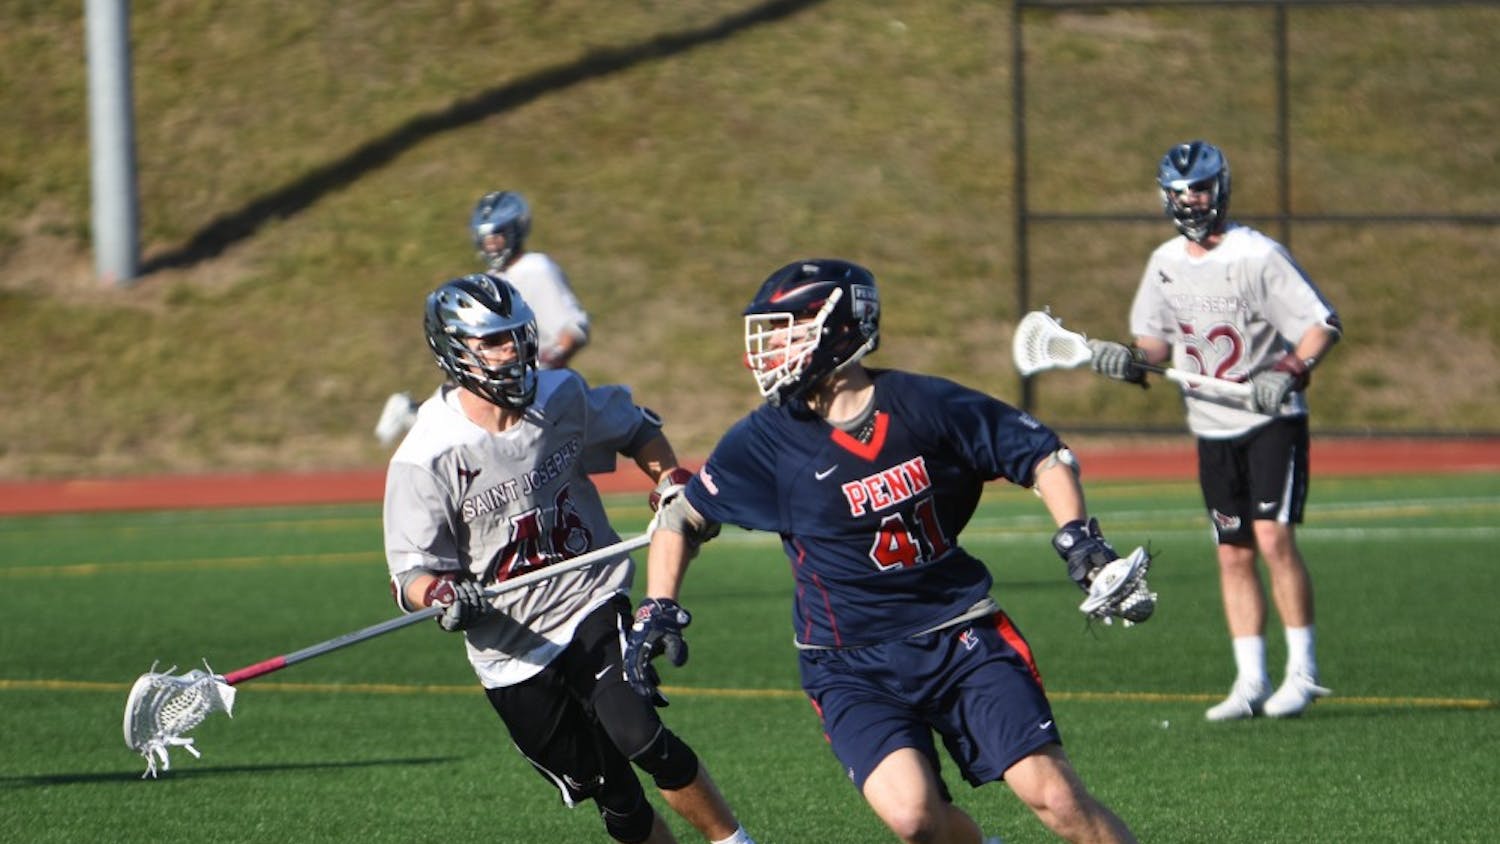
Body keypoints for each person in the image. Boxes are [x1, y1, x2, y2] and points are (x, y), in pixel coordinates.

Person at [624, 259, 1146, 844]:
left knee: (1056, 799)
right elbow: (682, 517)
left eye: (787, 329)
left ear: (841, 326)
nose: (770, 348)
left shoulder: (923, 404)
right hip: (846, 661)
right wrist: (658, 605)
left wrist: (1079, 538)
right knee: (913, 819)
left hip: (958, 633)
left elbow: (1043, 455)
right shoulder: (765, 438)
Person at [383, 273, 753, 844]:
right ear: (453, 350)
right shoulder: (427, 456)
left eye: (516, 335)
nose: (512, 352)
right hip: (511, 650)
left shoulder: (559, 396)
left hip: (589, 597)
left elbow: (637, 428)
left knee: (641, 736)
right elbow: (410, 574)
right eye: (493, 341)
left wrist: (671, 483)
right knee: (617, 799)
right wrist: (442, 594)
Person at [1088, 139, 1342, 721]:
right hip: (1211, 426)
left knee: (1273, 539)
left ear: (1220, 189)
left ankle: (1302, 672)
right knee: (1232, 553)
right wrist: (1128, 359)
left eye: (1199, 189)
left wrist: (1290, 369)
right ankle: (1250, 680)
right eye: (1178, 192)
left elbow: (1321, 324)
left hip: (1269, 419)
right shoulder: (1164, 263)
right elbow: (1154, 345)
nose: (1190, 201)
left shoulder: (1258, 256)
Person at [376, 190, 591, 445]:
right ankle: (418, 413)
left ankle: (415, 413)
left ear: (515, 232)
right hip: (504, 380)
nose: (491, 245)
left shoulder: (535, 268)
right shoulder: (492, 280)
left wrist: (553, 357)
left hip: (533, 383)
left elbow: (573, 325)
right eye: (486, 239)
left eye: (497, 237)